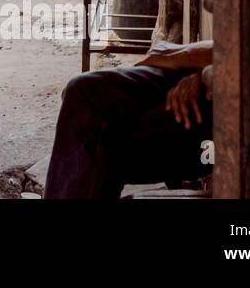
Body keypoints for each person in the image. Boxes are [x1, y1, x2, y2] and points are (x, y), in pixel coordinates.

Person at [43, 40, 214, 198]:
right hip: (213, 67)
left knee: (99, 142)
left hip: (219, 110)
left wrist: (207, 75)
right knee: (82, 91)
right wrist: (200, 70)